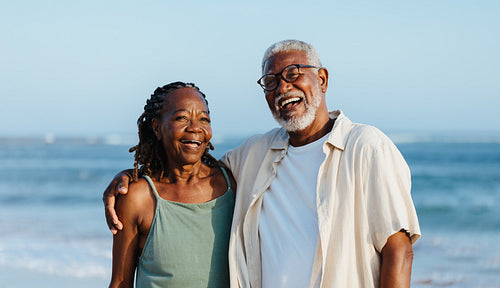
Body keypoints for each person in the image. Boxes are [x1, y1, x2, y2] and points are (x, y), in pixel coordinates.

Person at [104, 40, 421, 288]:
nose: (283, 87)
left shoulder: (366, 146)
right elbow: (188, 168)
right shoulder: (256, 154)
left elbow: (398, 250)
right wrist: (132, 176)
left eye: (294, 73)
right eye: (271, 81)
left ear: (322, 79)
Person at [108, 81, 235, 288]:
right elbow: (121, 282)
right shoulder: (138, 197)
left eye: (204, 119)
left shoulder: (231, 185)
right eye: (181, 118)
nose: (195, 127)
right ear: (157, 128)